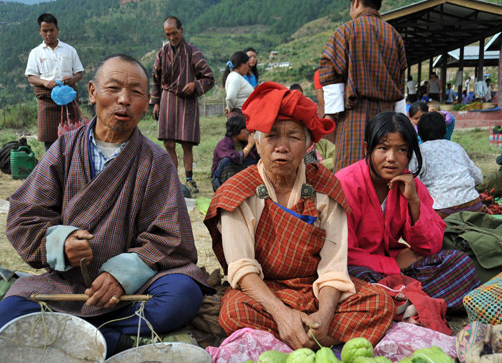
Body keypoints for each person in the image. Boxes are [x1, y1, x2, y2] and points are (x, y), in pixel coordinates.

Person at [0, 55, 211, 356]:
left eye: (135, 93)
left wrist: (122, 274)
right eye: (114, 88)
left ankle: (82, 339)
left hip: (135, 289)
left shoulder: (156, 161)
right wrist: (60, 242)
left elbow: (169, 237)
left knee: (182, 294)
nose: (124, 100)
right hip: (70, 287)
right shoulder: (65, 149)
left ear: (146, 103)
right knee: (5, 315)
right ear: (92, 92)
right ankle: (113, 341)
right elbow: (25, 216)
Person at [204, 82, 395, 349]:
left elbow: (333, 268)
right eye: (271, 135)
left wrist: (325, 317)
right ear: (257, 142)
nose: (282, 146)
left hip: (315, 289)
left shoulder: (326, 188)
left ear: (308, 144)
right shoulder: (237, 192)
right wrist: (282, 315)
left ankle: (295, 339)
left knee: (380, 303)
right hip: (265, 292)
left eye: (293, 136)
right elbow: (242, 269)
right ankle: (313, 339)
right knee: (234, 311)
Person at [335, 111, 480, 311]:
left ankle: (399, 303)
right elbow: (341, 252)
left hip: (396, 272)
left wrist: (413, 201)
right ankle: (409, 302)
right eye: (383, 148)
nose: (391, 158)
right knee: (350, 279)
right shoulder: (346, 184)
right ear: (367, 149)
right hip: (360, 269)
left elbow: (431, 246)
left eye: (401, 150)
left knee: (459, 262)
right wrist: (393, 264)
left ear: (410, 153)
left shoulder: (411, 184)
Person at [319, 0, 407, 171]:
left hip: (354, 116)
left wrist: (331, 113)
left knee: (350, 172)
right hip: (387, 116)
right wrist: (400, 118)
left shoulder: (346, 30)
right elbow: (400, 82)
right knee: (384, 170)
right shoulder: (393, 35)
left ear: (357, 2)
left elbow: (330, 72)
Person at [151, 16, 215, 197]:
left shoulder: (193, 52)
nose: (171, 37)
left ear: (182, 30)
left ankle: (189, 179)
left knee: (187, 143)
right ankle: (174, 179)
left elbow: (209, 77)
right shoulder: (162, 53)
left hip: (187, 101)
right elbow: (155, 79)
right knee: (168, 142)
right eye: (167, 34)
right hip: (167, 100)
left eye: (174, 33)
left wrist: (195, 85)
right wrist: (155, 102)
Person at [25, 13, 84, 152]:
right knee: (49, 138)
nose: (48, 34)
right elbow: (31, 77)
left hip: (69, 97)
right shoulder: (35, 53)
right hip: (47, 99)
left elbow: (79, 73)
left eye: (51, 30)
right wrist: (44, 82)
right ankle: (52, 169)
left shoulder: (69, 50)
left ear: (57, 29)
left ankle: (71, 167)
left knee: (73, 133)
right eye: (45, 31)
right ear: (40, 31)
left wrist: (72, 79)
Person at [409, 112, 483, 218]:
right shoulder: (456, 147)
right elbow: (478, 178)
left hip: (443, 210)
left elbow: (414, 185)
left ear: (419, 133)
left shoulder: (418, 152)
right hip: (475, 205)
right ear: (444, 131)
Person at [211, 115, 259, 191]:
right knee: (227, 161)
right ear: (238, 130)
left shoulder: (243, 143)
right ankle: (228, 190)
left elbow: (255, 158)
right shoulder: (224, 144)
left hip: (239, 178)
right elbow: (237, 158)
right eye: (246, 130)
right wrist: (249, 145)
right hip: (221, 180)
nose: (248, 133)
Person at [222, 51, 254, 118]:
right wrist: (230, 109)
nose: (248, 68)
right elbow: (230, 97)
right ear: (242, 64)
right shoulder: (235, 77)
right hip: (240, 117)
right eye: (247, 65)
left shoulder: (237, 77)